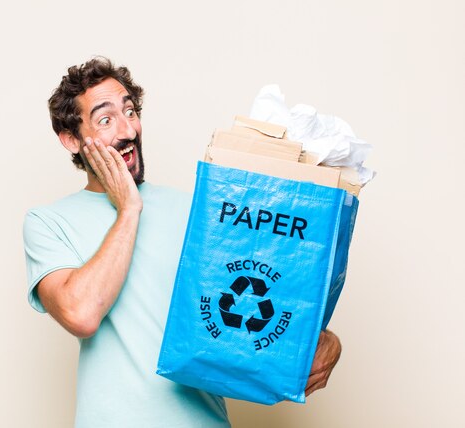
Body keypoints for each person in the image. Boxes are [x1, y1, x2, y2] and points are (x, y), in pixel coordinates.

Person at [23, 57, 342, 427]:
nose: (127, 130)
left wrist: (323, 340)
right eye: (106, 119)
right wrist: (129, 210)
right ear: (71, 139)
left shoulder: (197, 210)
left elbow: (259, 295)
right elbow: (81, 313)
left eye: (130, 111)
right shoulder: (48, 222)